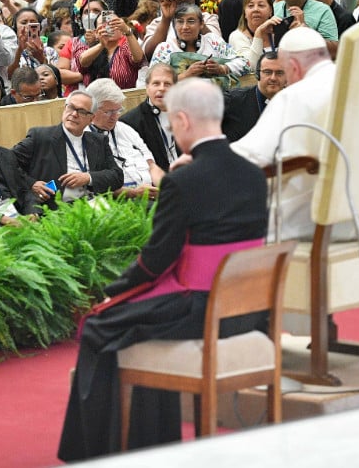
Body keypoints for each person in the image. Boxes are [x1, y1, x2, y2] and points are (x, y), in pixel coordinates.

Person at [57, 78, 269, 461]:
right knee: (124, 322)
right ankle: (150, 443)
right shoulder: (254, 174)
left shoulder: (183, 182)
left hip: (201, 312)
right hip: (249, 312)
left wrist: (112, 289)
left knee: (100, 327)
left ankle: (104, 453)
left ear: (183, 120)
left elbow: (156, 260)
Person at [232, 27, 359, 241]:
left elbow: (251, 157)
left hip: (316, 222)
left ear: (293, 66)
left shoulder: (294, 96)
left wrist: (201, 158)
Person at [13, 89, 123, 208]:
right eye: (71, 107)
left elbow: (117, 176)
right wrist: (31, 184)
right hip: (56, 208)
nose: (74, 114)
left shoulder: (98, 141)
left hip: (93, 204)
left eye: (81, 111)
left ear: (91, 118)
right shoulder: (41, 137)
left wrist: (88, 177)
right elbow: (7, 162)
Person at [121, 63, 178, 170]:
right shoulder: (130, 122)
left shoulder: (186, 115)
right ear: (147, 88)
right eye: (156, 83)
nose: (161, 88)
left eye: (167, 84)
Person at [222, 52, 287, 142]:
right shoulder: (232, 99)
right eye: (267, 72)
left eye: (279, 73)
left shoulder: (293, 103)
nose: (273, 78)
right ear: (257, 74)